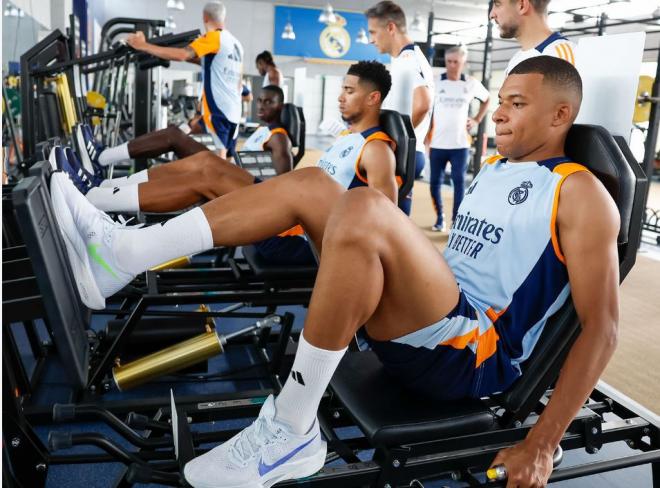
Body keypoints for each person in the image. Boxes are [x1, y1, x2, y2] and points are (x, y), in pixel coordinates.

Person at [51, 56, 619, 488]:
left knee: (367, 206)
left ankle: (290, 429)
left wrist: (542, 443)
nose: (497, 111)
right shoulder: (495, 170)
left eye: (516, 103)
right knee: (316, 185)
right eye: (501, 99)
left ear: (560, 114)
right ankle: (123, 254)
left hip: (472, 353)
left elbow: (603, 328)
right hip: (428, 323)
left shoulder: (581, 192)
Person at [61, 61, 397, 269]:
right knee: (206, 162)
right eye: (341, 89)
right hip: (290, 215)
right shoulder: (347, 141)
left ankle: (95, 202)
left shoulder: (377, 149)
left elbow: (385, 222)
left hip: (300, 236)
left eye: (349, 91)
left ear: (373, 98)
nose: (340, 97)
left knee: (207, 173)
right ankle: (99, 192)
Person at [78, 86, 293, 214]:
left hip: (247, 194)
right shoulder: (261, 131)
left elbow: (281, 189)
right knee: (175, 136)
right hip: (234, 175)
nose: (262, 106)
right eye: (261, 101)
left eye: (269, 102)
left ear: (280, 106)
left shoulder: (279, 138)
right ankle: (104, 181)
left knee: (185, 149)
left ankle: (102, 169)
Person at [126, 1, 243, 159]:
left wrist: (144, 46)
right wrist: (162, 52)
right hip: (234, 113)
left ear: (205, 17)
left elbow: (183, 55)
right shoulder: (236, 44)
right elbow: (206, 64)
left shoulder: (214, 37)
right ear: (224, 18)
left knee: (220, 163)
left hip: (218, 112)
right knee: (189, 131)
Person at [366, 0, 434, 215]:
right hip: (404, 152)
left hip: (403, 154)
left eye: (373, 32)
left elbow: (423, 104)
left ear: (391, 28)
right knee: (391, 225)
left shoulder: (408, 59)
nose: (371, 39)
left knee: (391, 225)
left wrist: (396, 142)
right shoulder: (402, 60)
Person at [429, 44, 490, 232]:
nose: (452, 65)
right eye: (449, 61)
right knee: (434, 184)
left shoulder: (470, 83)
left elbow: (487, 99)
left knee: (459, 182)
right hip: (437, 143)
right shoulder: (435, 81)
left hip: (460, 144)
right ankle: (440, 218)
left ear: (463, 62)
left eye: (456, 62)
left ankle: (456, 221)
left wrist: (477, 120)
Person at [490, 0, 576, 75]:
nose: (491, 15)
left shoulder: (562, 56)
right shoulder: (515, 60)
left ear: (522, 6)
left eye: (497, 4)